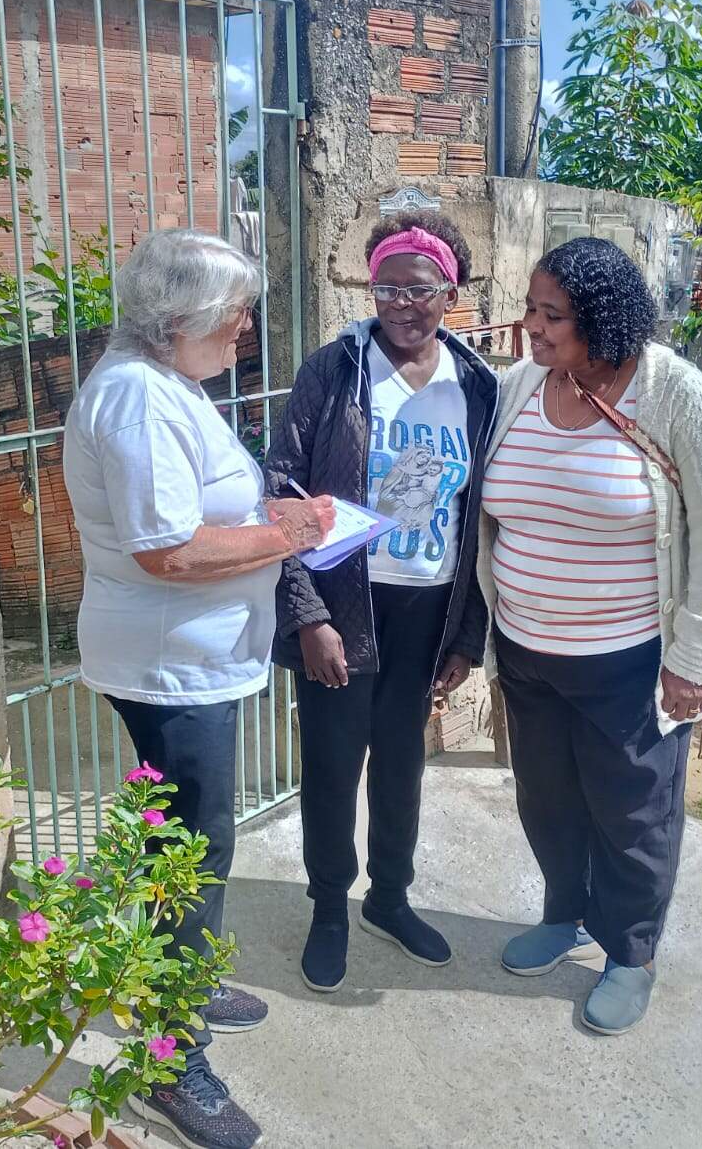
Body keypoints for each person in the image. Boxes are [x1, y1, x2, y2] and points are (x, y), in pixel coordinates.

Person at [63, 228, 335, 1149]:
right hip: (170, 670)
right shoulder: (137, 400)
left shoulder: (169, 386)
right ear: (175, 321)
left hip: (193, 662)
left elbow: (202, 514)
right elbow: (169, 548)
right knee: (192, 850)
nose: (246, 328)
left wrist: (272, 520)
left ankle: (179, 986)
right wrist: (290, 536)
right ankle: (171, 1067)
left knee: (188, 845)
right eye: (232, 315)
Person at [476, 236, 702, 1035]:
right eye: (530, 307)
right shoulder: (523, 385)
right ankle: (563, 915)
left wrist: (695, 659)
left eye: (550, 313)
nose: (531, 325)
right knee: (549, 800)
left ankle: (632, 955)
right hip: (527, 652)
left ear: (601, 319)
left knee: (634, 815)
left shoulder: (675, 396)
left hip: (630, 661)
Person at [266, 212, 500, 993]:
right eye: (387, 287)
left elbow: (481, 520)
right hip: (345, 603)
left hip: (427, 611)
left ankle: (389, 899)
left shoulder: (475, 383)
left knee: (402, 764)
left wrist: (467, 634)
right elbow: (282, 493)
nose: (402, 303)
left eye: (420, 288)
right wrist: (309, 615)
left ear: (450, 291)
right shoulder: (334, 371)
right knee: (333, 766)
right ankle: (330, 906)